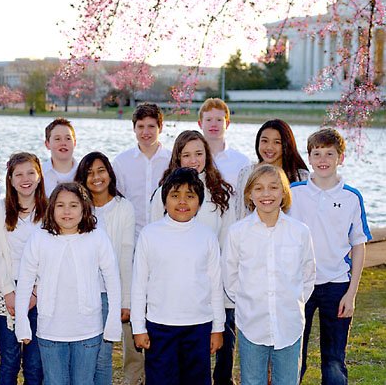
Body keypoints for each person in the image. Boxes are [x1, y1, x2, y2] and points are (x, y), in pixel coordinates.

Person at [149, 130, 236, 383]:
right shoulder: (162, 194)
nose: (193, 160)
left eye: (199, 153)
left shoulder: (221, 194)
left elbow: (227, 245)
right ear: (177, 158)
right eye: (186, 155)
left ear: (207, 156)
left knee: (216, 355)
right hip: (170, 295)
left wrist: (222, 289)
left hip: (211, 288)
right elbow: (154, 243)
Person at [15, 183, 122, 385]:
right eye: (60, 205)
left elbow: (112, 280)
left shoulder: (97, 237)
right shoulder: (39, 238)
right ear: (52, 208)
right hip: (50, 330)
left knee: (83, 381)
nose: (67, 211)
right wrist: (22, 322)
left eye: (73, 205)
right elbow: (25, 282)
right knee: (55, 381)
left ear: (84, 208)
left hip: (88, 329)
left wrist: (113, 321)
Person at [289, 128, 371, 384]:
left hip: (337, 286)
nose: (322, 159)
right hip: (299, 286)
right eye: (317, 154)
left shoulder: (351, 197)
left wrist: (352, 293)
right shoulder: (294, 193)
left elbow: (358, 245)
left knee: (334, 361)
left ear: (340, 158)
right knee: (293, 358)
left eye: (329, 153)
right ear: (309, 157)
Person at [222, 164, 315, 385]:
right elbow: (231, 276)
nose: (266, 194)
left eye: (273, 187)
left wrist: (293, 302)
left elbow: (308, 274)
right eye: (259, 188)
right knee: (253, 380)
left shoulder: (299, 231)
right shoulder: (238, 233)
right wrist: (249, 302)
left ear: (283, 192)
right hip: (252, 323)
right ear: (250, 195)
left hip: (289, 323)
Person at [132, 167, 224, 385]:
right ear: (164, 201)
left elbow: (215, 285)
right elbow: (139, 285)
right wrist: (138, 327)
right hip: (160, 327)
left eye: (190, 196)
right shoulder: (149, 235)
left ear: (199, 203)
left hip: (199, 326)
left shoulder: (207, 236)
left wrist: (218, 328)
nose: (182, 202)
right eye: (175, 195)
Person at [112, 102, 171, 383]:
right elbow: (116, 203)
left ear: (160, 127)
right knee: (133, 306)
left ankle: (158, 369)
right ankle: (133, 372)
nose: (146, 132)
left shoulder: (172, 159)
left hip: (165, 246)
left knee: (159, 304)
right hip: (132, 245)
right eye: (140, 126)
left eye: (151, 126)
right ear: (133, 128)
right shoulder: (121, 162)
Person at [0, 152, 47, 385]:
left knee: (34, 363)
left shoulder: (49, 210)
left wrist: (35, 292)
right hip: (7, 289)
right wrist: (9, 291)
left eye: (31, 172)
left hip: (39, 292)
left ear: (39, 176)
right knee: (10, 359)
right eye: (18, 174)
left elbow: (53, 255)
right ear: (10, 180)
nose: (25, 178)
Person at [75, 152, 135, 385]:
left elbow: (125, 255)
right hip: (80, 293)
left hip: (108, 294)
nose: (96, 177)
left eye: (101, 170)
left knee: (102, 358)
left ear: (110, 173)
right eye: (89, 173)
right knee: (82, 356)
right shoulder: (77, 208)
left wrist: (125, 300)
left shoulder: (124, 208)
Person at [234, 119, 309, 219]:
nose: (269, 147)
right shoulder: (247, 173)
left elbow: (307, 216)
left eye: (277, 142)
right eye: (264, 141)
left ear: (286, 145)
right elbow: (240, 213)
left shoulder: (301, 177)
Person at [197, 98, 250, 189]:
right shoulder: (191, 160)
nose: (213, 124)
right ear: (200, 124)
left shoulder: (242, 162)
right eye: (208, 120)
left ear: (227, 124)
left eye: (219, 120)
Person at [42, 118, 78, 196]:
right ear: (47, 144)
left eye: (68, 138)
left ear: (74, 143)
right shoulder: (39, 174)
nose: (63, 143)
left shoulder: (84, 172)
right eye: (57, 139)